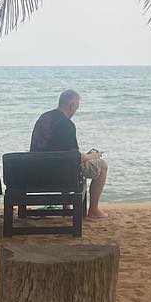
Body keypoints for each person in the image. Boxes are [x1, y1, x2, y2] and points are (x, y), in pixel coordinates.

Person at [30, 88, 108, 217]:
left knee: (63, 161)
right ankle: (93, 210)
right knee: (102, 165)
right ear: (71, 106)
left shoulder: (43, 118)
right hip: (61, 173)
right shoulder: (67, 125)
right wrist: (93, 156)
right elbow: (75, 157)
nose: (75, 111)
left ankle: (66, 205)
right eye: (76, 107)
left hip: (38, 171)